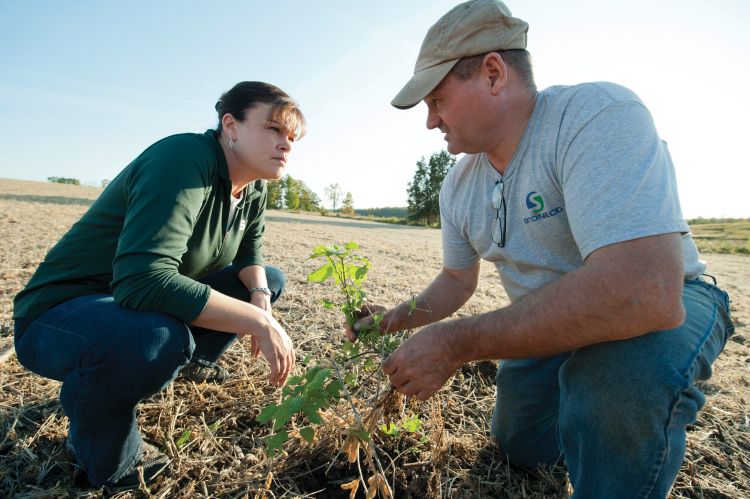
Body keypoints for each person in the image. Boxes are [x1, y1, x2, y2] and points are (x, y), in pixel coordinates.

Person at [353, 1, 735, 497]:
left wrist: (456, 343)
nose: (430, 121)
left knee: (612, 390)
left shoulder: (595, 117)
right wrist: (393, 320)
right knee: (520, 444)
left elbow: (644, 291)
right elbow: (455, 280)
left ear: (493, 73)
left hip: (671, 305)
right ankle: (579, 411)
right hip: (553, 321)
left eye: (436, 100)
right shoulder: (458, 185)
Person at [12, 81, 302, 491]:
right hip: (60, 314)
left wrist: (260, 300)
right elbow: (142, 281)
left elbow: (249, 256)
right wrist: (258, 321)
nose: (286, 144)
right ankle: (104, 447)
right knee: (157, 338)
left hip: (127, 303)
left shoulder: (252, 189)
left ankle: (191, 364)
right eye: (274, 129)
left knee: (268, 281)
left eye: (292, 137)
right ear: (231, 125)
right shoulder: (184, 158)